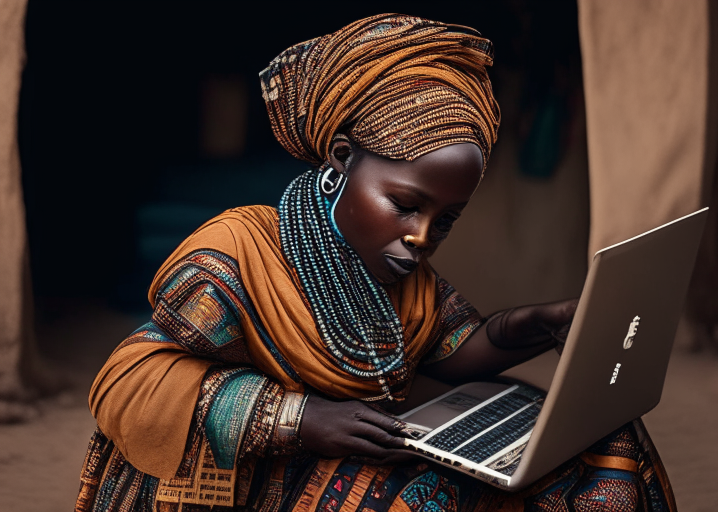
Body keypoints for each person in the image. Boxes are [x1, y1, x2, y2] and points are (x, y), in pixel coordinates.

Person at [75, 14, 676, 512]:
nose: (421, 237)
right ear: (341, 160)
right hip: (251, 473)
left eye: (445, 220)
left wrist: (526, 327)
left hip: (364, 442)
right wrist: (300, 418)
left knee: (604, 443)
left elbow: (450, 351)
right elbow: (128, 380)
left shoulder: (396, 267)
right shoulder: (239, 252)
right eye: (404, 204)